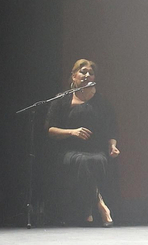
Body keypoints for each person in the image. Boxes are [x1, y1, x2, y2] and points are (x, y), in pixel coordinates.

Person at [46, 59, 120, 225]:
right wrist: (72, 132)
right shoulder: (62, 100)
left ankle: (88, 209)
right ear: (74, 76)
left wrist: (113, 146)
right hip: (69, 150)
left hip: (95, 149)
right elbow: (50, 129)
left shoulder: (102, 102)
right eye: (83, 72)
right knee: (82, 161)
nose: (87, 75)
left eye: (90, 73)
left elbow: (111, 130)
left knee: (94, 160)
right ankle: (100, 206)